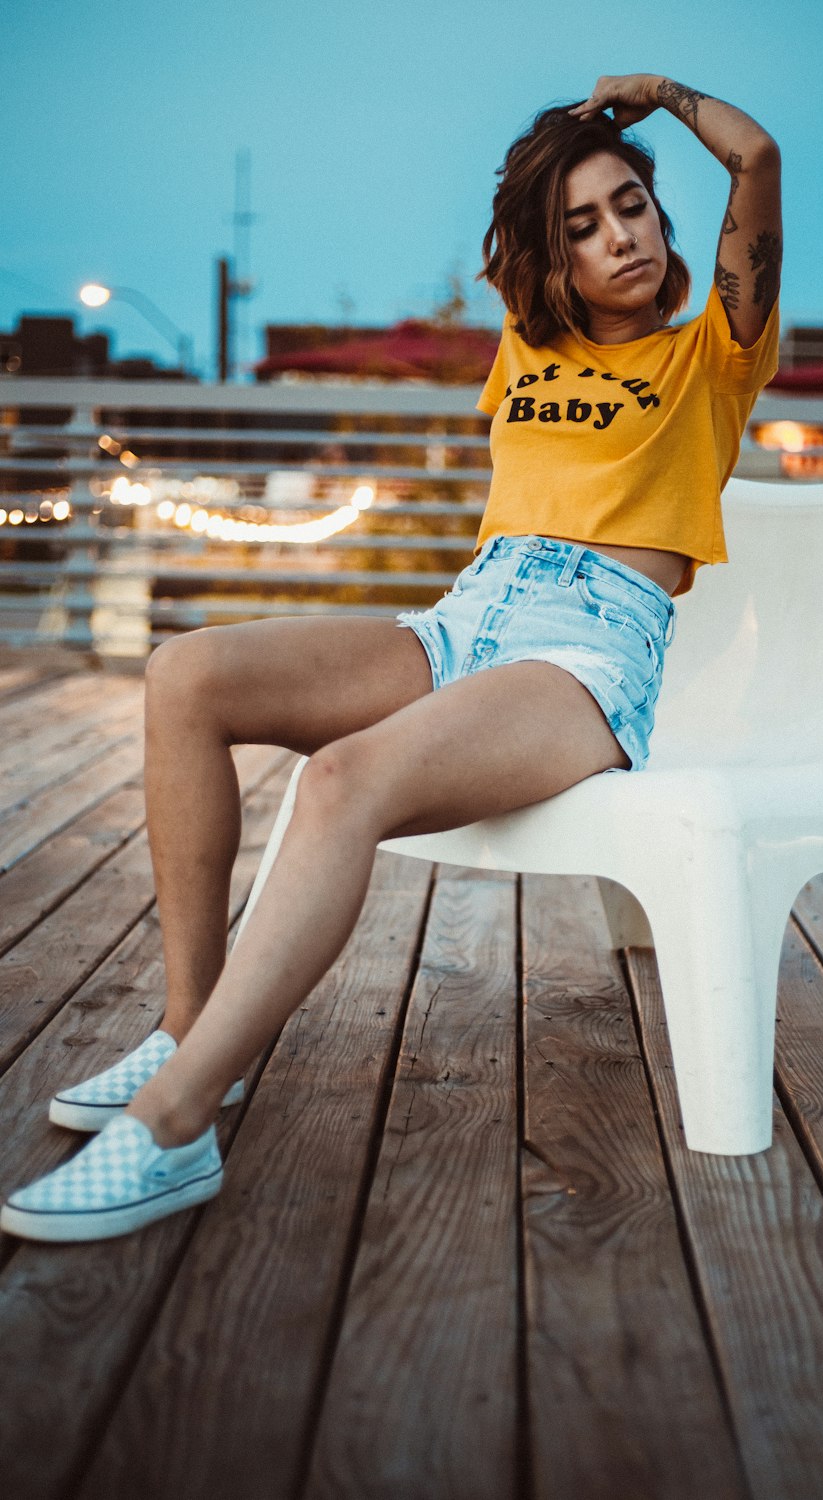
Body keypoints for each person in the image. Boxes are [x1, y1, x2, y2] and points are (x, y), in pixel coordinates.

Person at [1, 71, 782, 1242]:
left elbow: (757, 160)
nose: (618, 235)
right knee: (186, 674)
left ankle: (173, 1122)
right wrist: (557, 153)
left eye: (631, 207)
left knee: (342, 779)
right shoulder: (529, 346)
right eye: (582, 226)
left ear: (664, 217)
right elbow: (506, 228)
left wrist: (654, 101)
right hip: (465, 617)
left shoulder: (714, 355)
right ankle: (189, 1027)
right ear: (550, 261)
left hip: (586, 649)